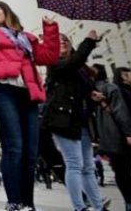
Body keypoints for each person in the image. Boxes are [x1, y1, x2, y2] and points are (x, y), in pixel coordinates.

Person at [0, 1, 61, 211]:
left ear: (6, 11)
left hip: (27, 94)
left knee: (30, 152)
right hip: (1, 91)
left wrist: (50, 29)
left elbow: (48, 56)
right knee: (14, 145)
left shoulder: (25, 38)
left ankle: (28, 204)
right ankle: (14, 203)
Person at [41, 32, 106, 211]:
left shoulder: (81, 70)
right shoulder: (55, 64)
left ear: (71, 45)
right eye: (58, 41)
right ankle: (79, 207)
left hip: (81, 121)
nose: (62, 42)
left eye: (65, 40)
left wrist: (93, 96)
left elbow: (82, 93)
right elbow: (72, 63)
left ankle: (98, 207)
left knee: (88, 167)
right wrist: (89, 41)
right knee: (74, 164)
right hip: (62, 120)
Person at [93, 64, 131, 211]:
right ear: (124, 76)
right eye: (130, 74)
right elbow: (127, 114)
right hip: (123, 135)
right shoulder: (113, 89)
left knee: (122, 171)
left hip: (109, 137)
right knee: (126, 170)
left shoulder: (96, 91)